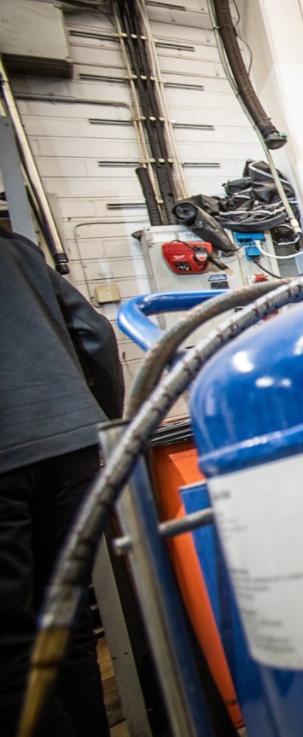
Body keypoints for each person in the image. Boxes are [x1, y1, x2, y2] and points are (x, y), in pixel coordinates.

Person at [1, 226, 119, 736]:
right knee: (66, 624)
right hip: (70, 445)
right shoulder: (16, 250)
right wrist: (100, 422)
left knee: (9, 645)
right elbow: (96, 334)